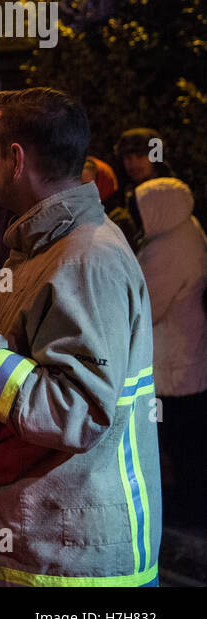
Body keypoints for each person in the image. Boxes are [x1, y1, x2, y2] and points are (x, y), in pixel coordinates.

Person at [0, 87, 161, 586]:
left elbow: (76, 409)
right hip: (31, 545)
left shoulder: (86, 258)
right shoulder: (47, 246)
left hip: (66, 565)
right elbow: (24, 369)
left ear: (16, 158)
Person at [133, 177, 207, 526]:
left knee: (174, 437)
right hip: (186, 355)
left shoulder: (169, 248)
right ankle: (187, 503)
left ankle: (184, 509)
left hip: (171, 362)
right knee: (184, 438)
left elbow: (150, 305)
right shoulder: (186, 232)